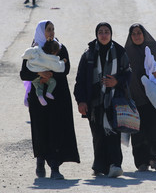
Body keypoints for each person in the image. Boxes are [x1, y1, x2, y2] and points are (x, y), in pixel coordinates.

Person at [20, 20, 80, 179]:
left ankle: (55, 167)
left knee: (57, 129)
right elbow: (24, 74)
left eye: (53, 29)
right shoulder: (33, 50)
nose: (51, 32)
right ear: (41, 32)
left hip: (57, 96)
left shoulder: (59, 47)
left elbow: (66, 68)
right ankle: (40, 162)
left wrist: (51, 73)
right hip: (39, 98)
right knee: (41, 129)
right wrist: (40, 74)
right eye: (48, 29)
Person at [74, 22, 131, 178]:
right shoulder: (88, 54)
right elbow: (80, 80)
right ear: (96, 34)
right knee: (98, 134)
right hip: (94, 102)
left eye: (107, 31)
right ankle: (100, 165)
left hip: (114, 101)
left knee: (113, 134)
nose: (104, 34)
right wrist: (81, 101)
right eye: (101, 32)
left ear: (111, 34)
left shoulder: (120, 52)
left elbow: (128, 74)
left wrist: (116, 81)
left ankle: (115, 165)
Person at [125, 23, 156, 172]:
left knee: (155, 128)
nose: (137, 36)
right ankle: (142, 161)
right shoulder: (126, 52)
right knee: (138, 131)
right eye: (133, 33)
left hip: (154, 99)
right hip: (135, 97)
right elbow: (122, 73)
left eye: (139, 33)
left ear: (144, 34)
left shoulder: (154, 49)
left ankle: (154, 158)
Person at [22, 40, 67, 106]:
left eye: (53, 29)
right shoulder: (50, 58)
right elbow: (58, 66)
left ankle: (40, 96)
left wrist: (34, 47)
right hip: (38, 101)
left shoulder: (36, 51)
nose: (52, 33)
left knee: (38, 87)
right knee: (53, 82)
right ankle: (48, 92)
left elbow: (28, 54)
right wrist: (63, 61)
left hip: (35, 79)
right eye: (49, 30)